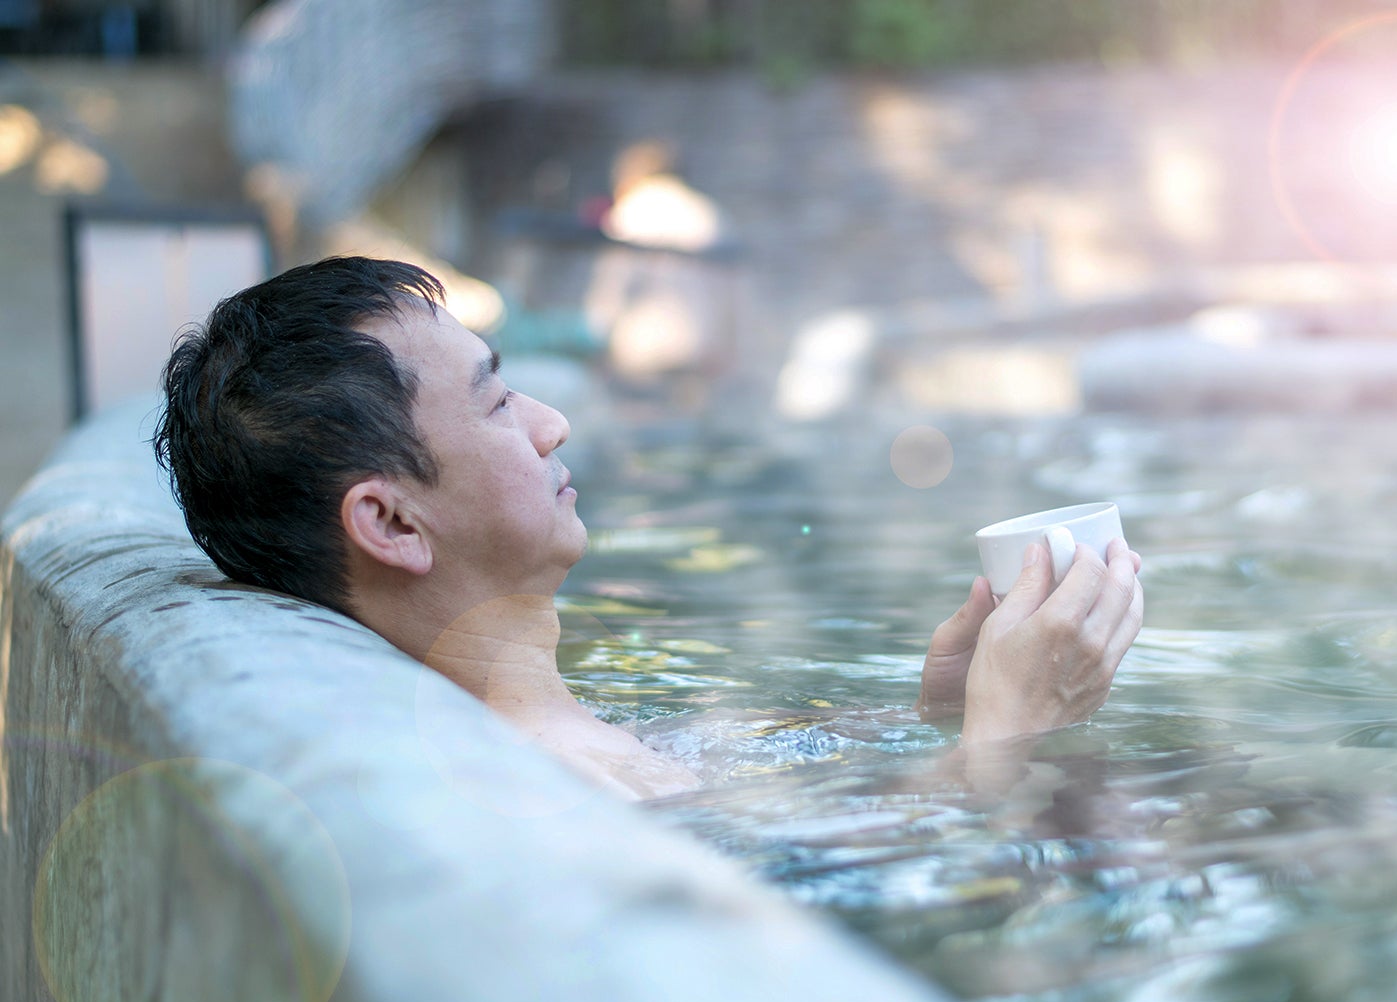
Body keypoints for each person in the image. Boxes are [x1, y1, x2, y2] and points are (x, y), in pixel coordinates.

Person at [152, 256, 1144, 801]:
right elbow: (838, 930)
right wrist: (1009, 731)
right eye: (497, 403)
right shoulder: (546, 787)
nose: (553, 421)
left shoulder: (557, 731)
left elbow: (790, 810)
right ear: (392, 520)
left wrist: (938, 715)